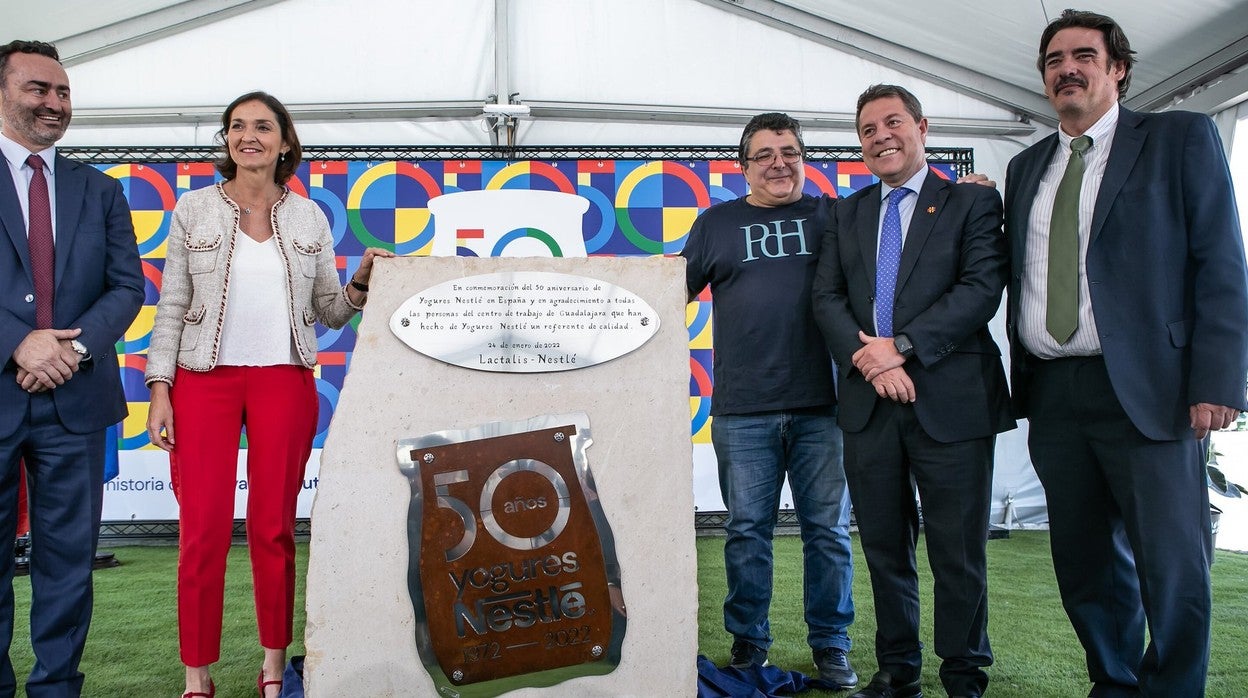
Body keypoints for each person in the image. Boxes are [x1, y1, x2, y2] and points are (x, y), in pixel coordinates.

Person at [1004, 10, 1248, 697]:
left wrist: (1217, 379)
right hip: (1054, 394)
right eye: (1054, 59)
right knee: (1086, 567)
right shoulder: (1027, 168)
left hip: (1151, 389)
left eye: (1084, 55)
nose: (1067, 68)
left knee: (1172, 566)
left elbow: (1221, 264)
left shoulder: (1178, 139)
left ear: (1118, 68)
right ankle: (1113, 686)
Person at [144, 91, 394, 698]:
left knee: (274, 529)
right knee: (201, 529)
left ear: (286, 142)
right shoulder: (192, 210)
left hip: (286, 379)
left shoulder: (310, 216)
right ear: (226, 141)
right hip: (204, 380)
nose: (247, 136)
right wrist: (160, 389)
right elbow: (172, 304)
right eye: (236, 127)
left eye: (262, 126)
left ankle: (275, 667)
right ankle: (196, 676)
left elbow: (329, 311)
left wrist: (361, 282)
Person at [812, 84, 1013, 698]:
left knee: (957, 554)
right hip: (870, 408)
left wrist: (899, 347)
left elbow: (981, 289)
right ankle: (898, 670)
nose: (881, 137)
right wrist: (875, 365)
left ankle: (963, 675)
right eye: (868, 129)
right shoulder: (845, 212)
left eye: (892, 122)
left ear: (922, 128)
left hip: (952, 405)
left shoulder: (971, 203)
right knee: (884, 549)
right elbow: (827, 299)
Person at [681, 112, 858, 689]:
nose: (779, 163)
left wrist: (968, 191)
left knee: (827, 532)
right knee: (746, 531)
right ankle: (749, 642)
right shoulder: (715, 225)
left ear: (804, 158)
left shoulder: (836, 215)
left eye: (790, 152)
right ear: (744, 166)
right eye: (765, 154)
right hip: (742, 407)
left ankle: (831, 644)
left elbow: (899, 248)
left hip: (825, 405)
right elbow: (666, 293)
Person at [0, 40, 144, 697]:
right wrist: (16, 343)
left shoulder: (100, 189)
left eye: (62, 93)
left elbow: (126, 288)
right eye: (38, 89)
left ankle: (57, 689)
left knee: (68, 566)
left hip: (76, 401)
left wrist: (68, 350)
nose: (54, 103)